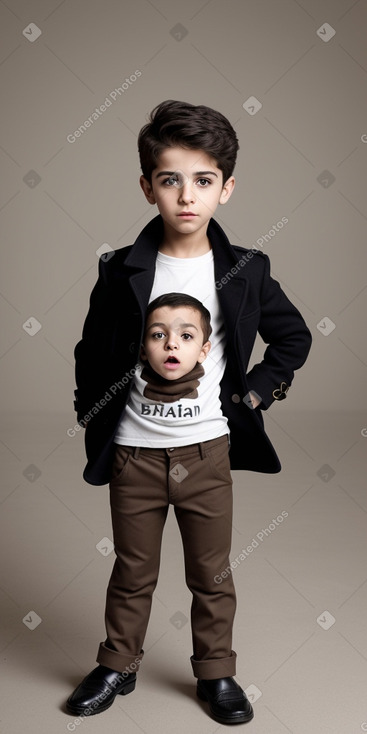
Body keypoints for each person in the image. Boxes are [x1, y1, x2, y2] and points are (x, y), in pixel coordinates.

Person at [66, 100, 312, 725]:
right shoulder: (121, 268)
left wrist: (255, 392)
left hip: (208, 454)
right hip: (134, 454)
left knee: (212, 575)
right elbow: (90, 352)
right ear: (147, 185)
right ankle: (117, 662)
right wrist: (90, 415)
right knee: (131, 570)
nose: (186, 196)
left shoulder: (246, 270)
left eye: (203, 181)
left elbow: (294, 338)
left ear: (226, 188)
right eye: (170, 179)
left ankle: (216, 673)